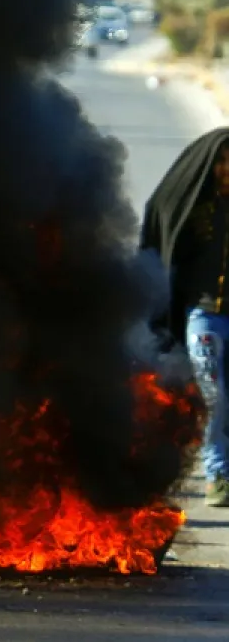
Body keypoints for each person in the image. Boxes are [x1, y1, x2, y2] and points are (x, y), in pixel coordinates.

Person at [142, 127, 229, 507]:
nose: (227, 168)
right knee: (214, 396)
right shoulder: (195, 205)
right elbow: (163, 220)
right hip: (204, 314)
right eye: (223, 160)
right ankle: (219, 475)